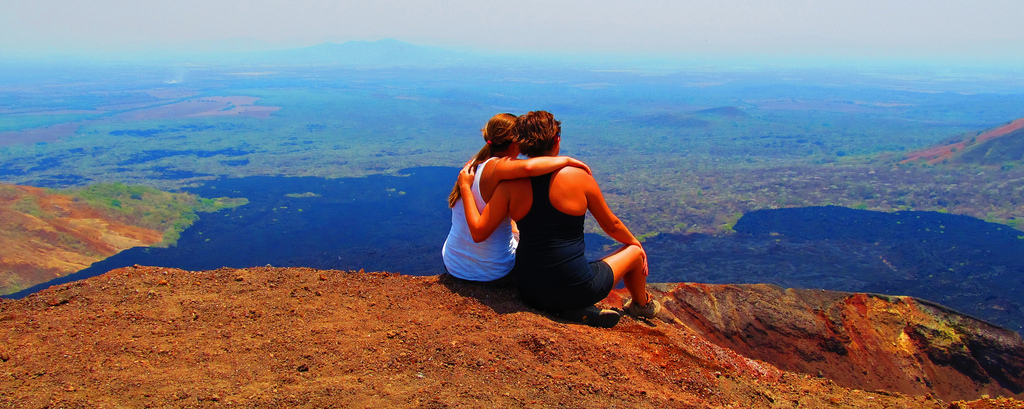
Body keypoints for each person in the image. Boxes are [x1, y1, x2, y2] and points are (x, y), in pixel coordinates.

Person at [456, 111, 660, 326]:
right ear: (557, 140)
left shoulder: (508, 186)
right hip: (577, 288)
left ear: (522, 144)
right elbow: (612, 225)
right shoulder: (579, 177)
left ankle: (568, 308)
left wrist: (465, 187)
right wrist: (636, 243)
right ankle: (641, 305)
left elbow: (481, 229)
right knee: (634, 253)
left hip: (529, 290)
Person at [442, 113, 591, 285]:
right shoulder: (497, 167)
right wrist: (567, 160)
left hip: (453, 263)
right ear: (516, 143)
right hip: (493, 271)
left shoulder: (474, 163)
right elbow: (528, 168)